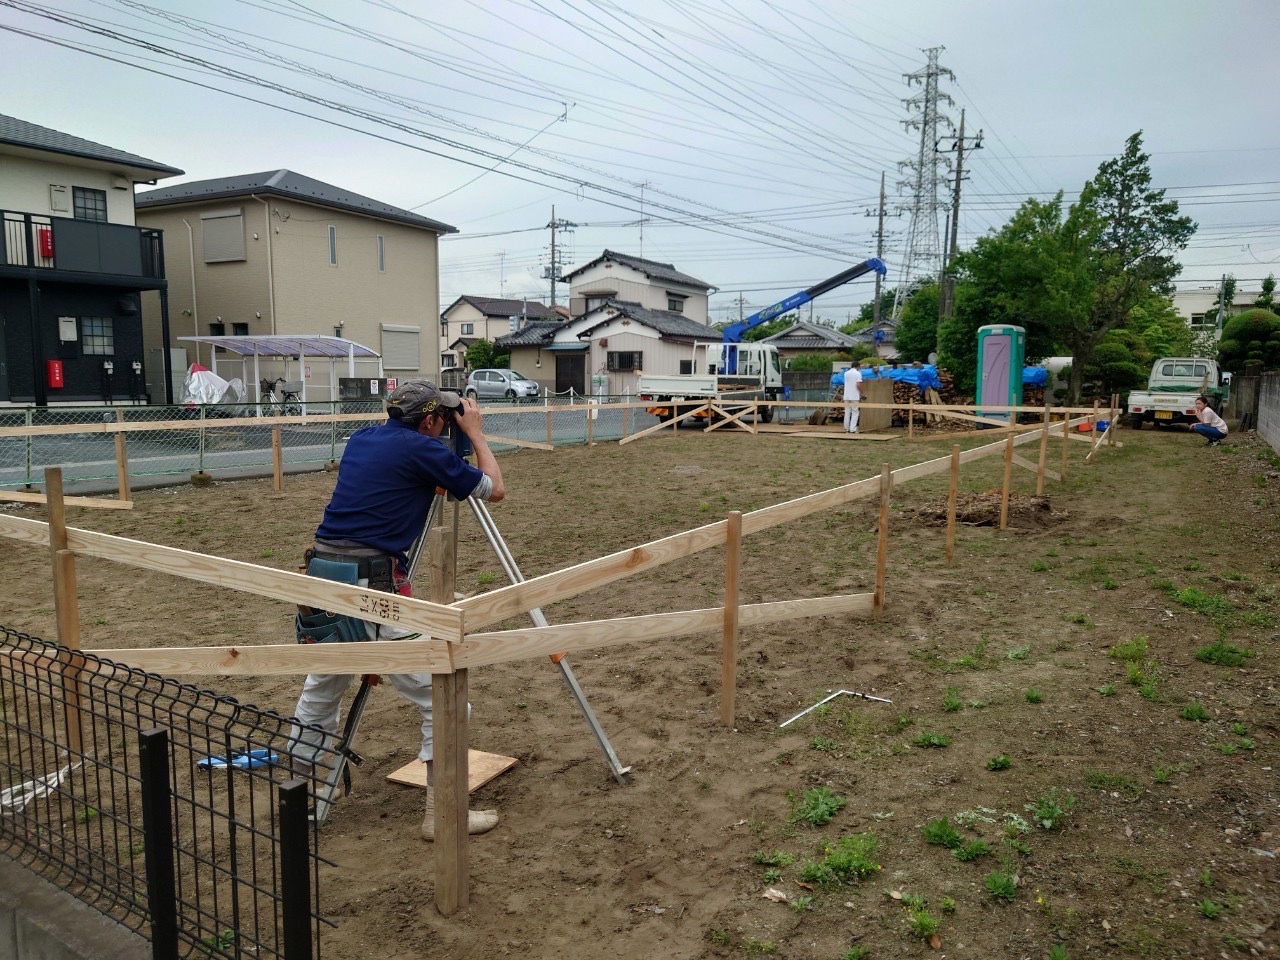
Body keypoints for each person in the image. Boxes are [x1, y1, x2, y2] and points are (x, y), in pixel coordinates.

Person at [288, 378, 505, 840]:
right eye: (444, 419)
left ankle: (295, 799)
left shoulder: (363, 438)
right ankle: (441, 814)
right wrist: (478, 436)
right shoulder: (424, 452)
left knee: (321, 688)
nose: (448, 425)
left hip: (323, 573)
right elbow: (494, 489)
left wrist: (445, 457)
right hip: (375, 586)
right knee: (442, 698)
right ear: (430, 420)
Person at [843, 363, 863, 433]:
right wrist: (862, 393)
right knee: (855, 412)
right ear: (857, 366)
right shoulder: (858, 373)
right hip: (854, 396)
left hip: (846, 396)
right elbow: (858, 384)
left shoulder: (846, 373)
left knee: (847, 412)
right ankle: (853, 429)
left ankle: (846, 428)